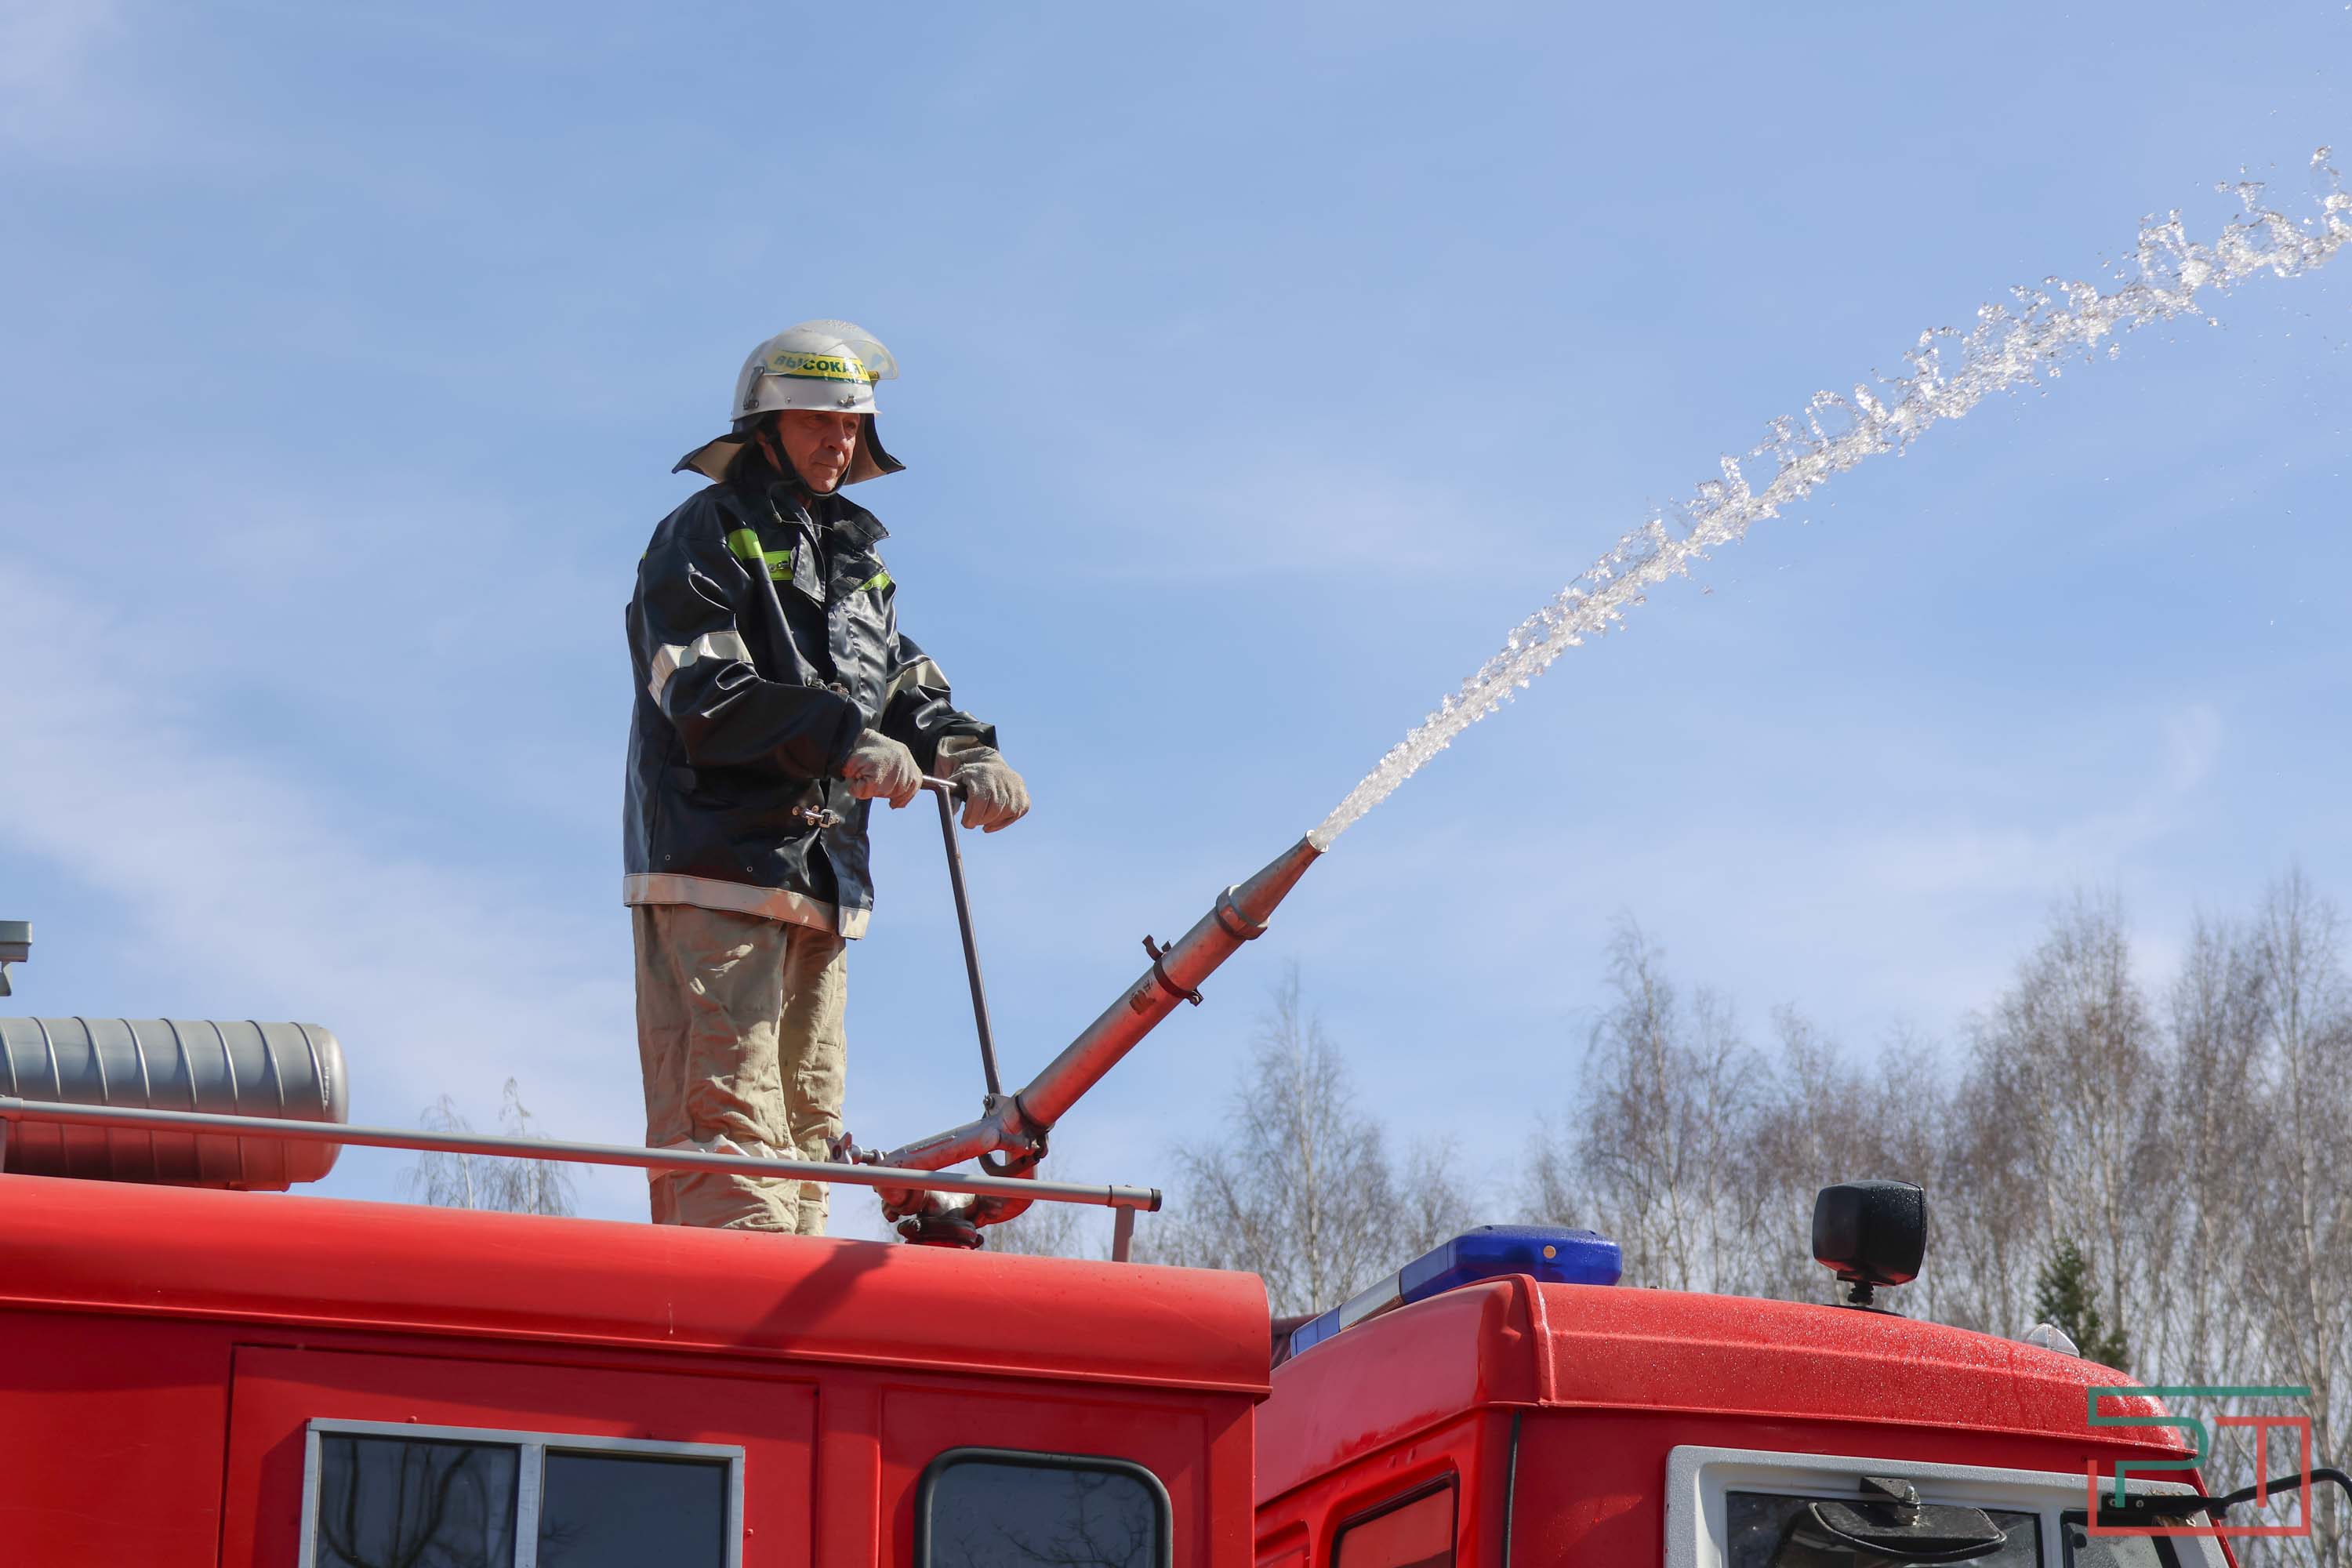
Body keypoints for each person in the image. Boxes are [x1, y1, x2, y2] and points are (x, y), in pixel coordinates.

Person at [623, 320, 1029, 1236]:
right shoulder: (703, 533)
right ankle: (730, 1346)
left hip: (820, 884)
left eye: (851, 427)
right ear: (765, 428)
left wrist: (966, 753)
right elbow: (701, 691)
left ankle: (784, 1360)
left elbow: (895, 680)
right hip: (716, 873)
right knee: (726, 1127)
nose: (838, 443)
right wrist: (846, 740)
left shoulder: (855, 563)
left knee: (804, 1138)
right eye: (818, 422)